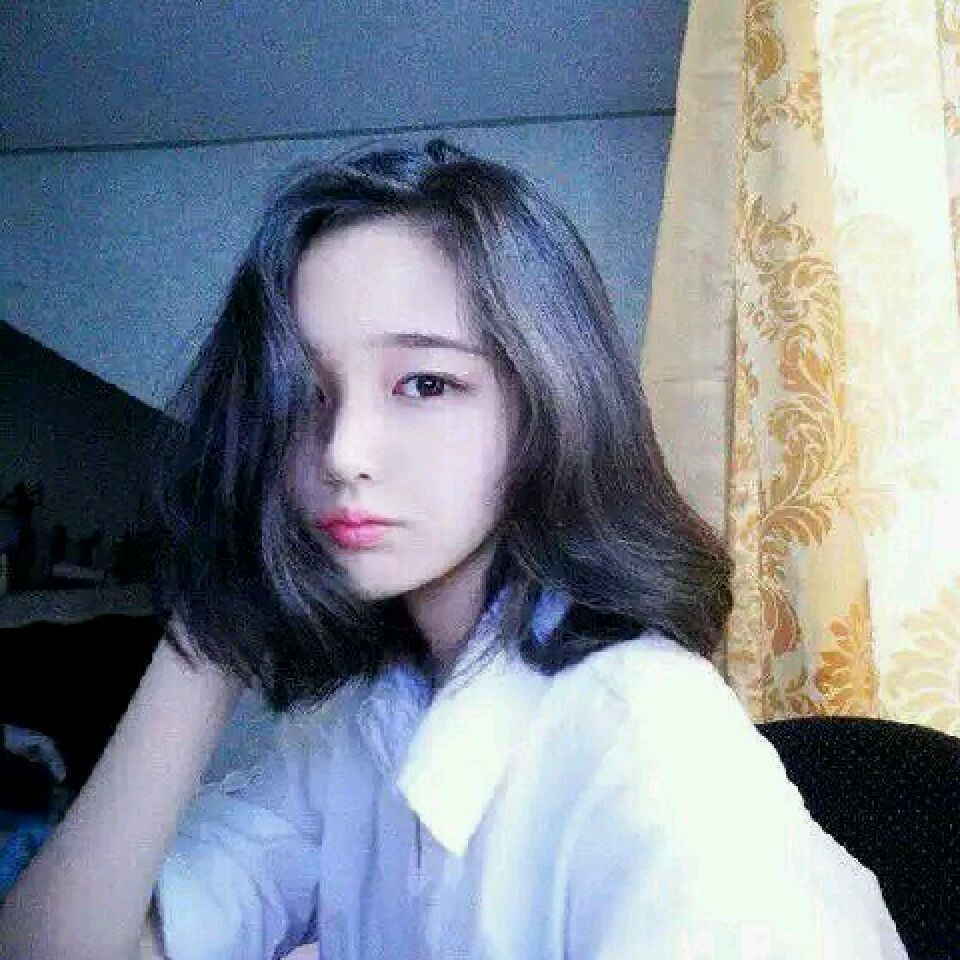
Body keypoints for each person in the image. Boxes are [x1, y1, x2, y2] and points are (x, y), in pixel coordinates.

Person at [0, 139, 909, 960]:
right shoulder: (365, 722)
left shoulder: (650, 749)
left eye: (425, 384)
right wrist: (213, 624)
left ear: (549, 401)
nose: (343, 451)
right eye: (305, 395)